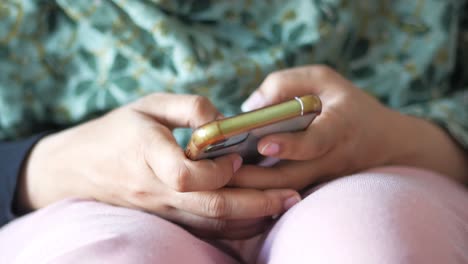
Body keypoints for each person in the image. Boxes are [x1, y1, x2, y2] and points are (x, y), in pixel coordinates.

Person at [1, 0, 468, 263]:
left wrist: (400, 139)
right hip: (89, 202)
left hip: (392, 171)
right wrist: (52, 165)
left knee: (371, 240)